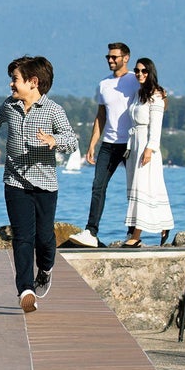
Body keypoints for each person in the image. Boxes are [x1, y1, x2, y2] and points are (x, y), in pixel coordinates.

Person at [0, 56, 77, 313]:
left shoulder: (53, 110)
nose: (11, 85)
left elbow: (72, 141)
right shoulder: (9, 106)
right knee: (22, 237)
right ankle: (26, 289)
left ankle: (45, 269)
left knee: (45, 238)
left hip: (46, 185)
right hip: (15, 182)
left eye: (15, 80)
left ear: (33, 82)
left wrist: (54, 140)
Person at [68, 42, 138, 248]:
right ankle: (91, 231)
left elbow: (156, 97)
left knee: (134, 188)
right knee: (98, 186)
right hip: (108, 144)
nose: (110, 60)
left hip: (131, 143)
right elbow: (100, 116)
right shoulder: (104, 84)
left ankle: (134, 234)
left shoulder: (136, 79)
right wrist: (92, 145)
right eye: (108, 57)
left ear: (126, 58)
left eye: (114, 57)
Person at [122, 57, 174, 247]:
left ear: (150, 72)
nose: (139, 74)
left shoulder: (156, 96)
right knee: (149, 188)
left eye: (144, 71)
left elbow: (156, 127)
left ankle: (135, 236)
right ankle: (165, 224)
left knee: (144, 187)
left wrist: (149, 149)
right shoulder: (138, 93)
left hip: (146, 145)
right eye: (137, 71)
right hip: (134, 143)